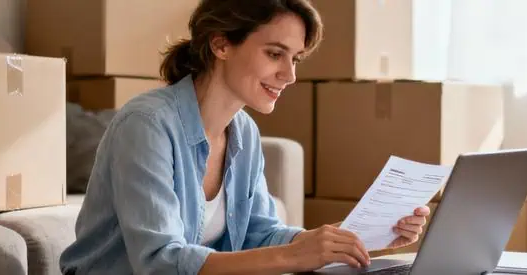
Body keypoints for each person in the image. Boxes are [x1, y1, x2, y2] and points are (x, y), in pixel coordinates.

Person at [58, 0, 432, 274]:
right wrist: (296, 255)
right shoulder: (146, 125)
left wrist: (347, 240)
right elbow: (159, 263)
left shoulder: (244, 132)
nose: (290, 75)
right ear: (221, 45)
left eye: (295, 59)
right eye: (274, 54)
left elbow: (259, 233)